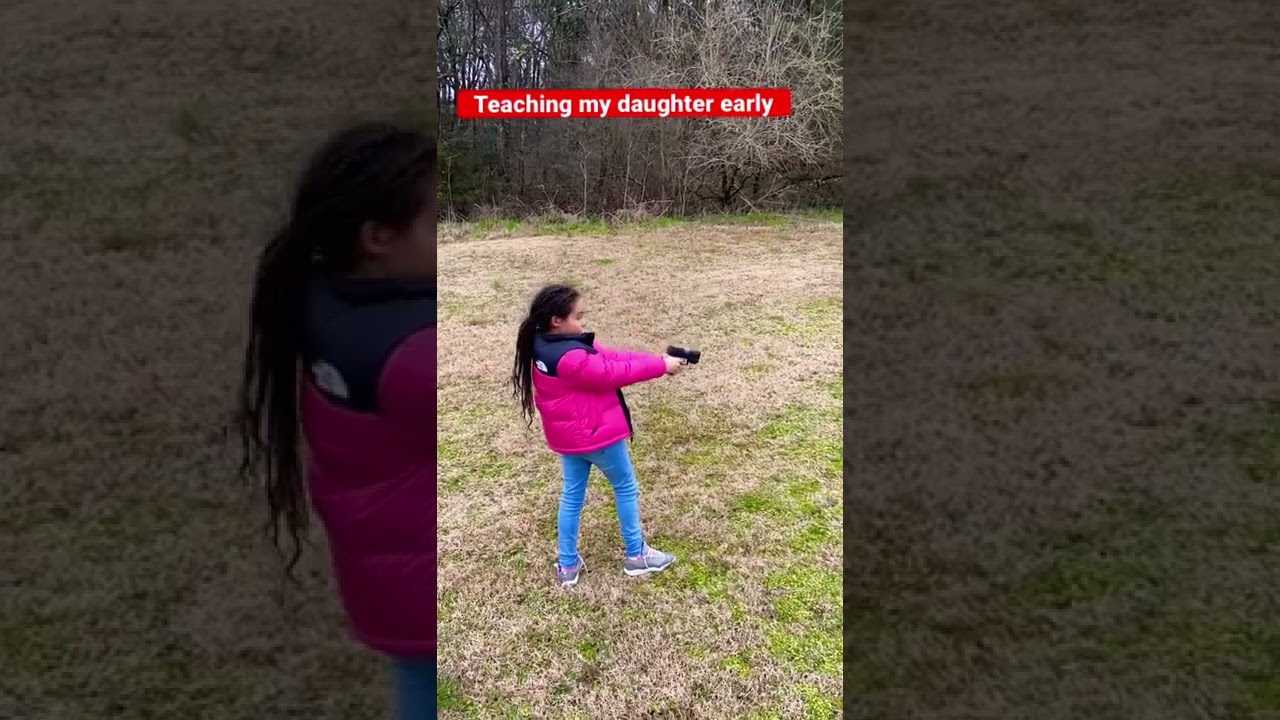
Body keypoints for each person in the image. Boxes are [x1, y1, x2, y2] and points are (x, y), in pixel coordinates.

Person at [234, 122, 436, 718]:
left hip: (393, 582)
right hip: (421, 586)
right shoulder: (411, 356)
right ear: (377, 237)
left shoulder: (324, 289)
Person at [510, 284, 685, 587]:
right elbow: (614, 372)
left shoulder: (544, 342)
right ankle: (636, 556)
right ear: (556, 319)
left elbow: (612, 357)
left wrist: (658, 361)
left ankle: (567, 565)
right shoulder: (571, 358)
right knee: (626, 487)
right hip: (595, 437)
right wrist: (661, 367)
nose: (583, 322)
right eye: (578, 317)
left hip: (570, 439)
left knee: (572, 496)